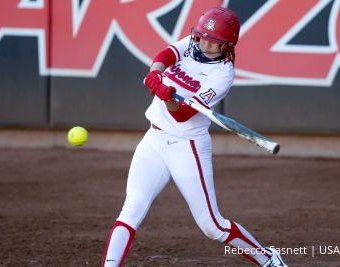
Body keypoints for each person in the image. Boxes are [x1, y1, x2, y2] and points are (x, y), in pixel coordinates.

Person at [102, 6, 287, 267]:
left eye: (214, 42)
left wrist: (168, 98)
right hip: (154, 139)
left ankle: (268, 259)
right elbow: (166, 54)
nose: (205, 44)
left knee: (212, 226)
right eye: (202, 37)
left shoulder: (222, 75)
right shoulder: (193, 42)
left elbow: (181, 115)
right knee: (131, 209)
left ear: (227, 46)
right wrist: (156, 73)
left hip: (187, 147)